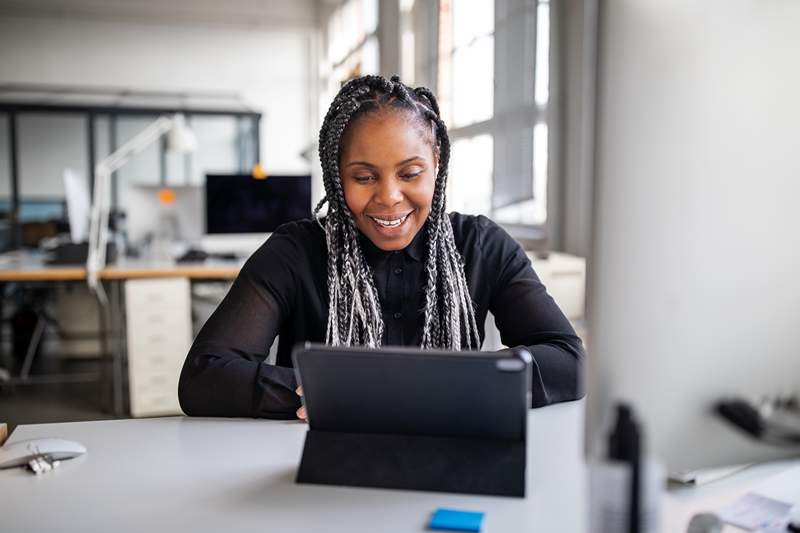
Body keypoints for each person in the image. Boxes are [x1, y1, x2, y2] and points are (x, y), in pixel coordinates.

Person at [178, 75, 584, 420]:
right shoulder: (294, 253)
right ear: (337, 175)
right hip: (320, 469)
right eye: (364, 177)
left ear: (436, 163)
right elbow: (203, 376)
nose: (389, 197)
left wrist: (458, 384)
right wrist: (327, 390)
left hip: (451, 456)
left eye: (410, 172)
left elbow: (569, 361)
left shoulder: (481, 246)